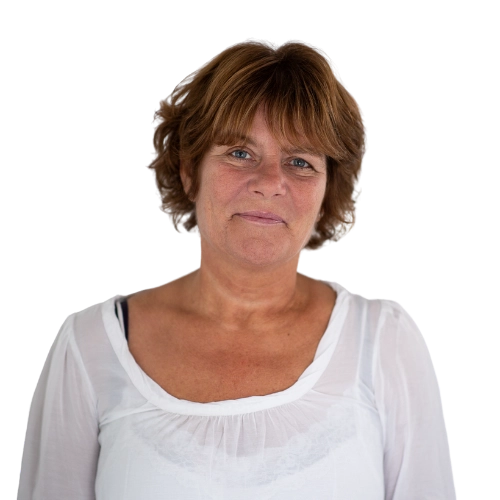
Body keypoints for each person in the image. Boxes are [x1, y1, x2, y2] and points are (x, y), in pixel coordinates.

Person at [18, 39, 456, 499]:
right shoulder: (93, 345)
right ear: (190, 171)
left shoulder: (383, 343)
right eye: (240, 153)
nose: (269, 183)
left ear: (327, 190)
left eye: (300, 162)